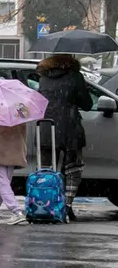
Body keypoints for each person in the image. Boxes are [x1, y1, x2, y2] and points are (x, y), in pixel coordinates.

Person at [37, 54, 93, 220]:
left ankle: (46, 205)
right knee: (73, 168)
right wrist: (83, 91)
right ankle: (66, 206)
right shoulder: (76, 77)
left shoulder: (43, 79)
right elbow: (88, 105)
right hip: (70, 127)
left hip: (46, 126)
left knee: (46, 169)